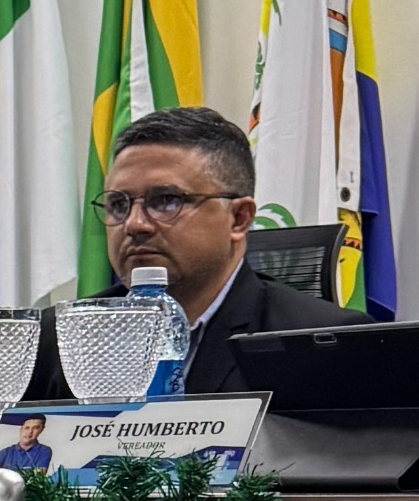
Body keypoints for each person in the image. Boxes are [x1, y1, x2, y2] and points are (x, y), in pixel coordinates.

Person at [98, 107, 347, 393]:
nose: (134, 224)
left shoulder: (321, 344)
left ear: (239, 218)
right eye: (118, 204)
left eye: (166, 200)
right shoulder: (69, 336)